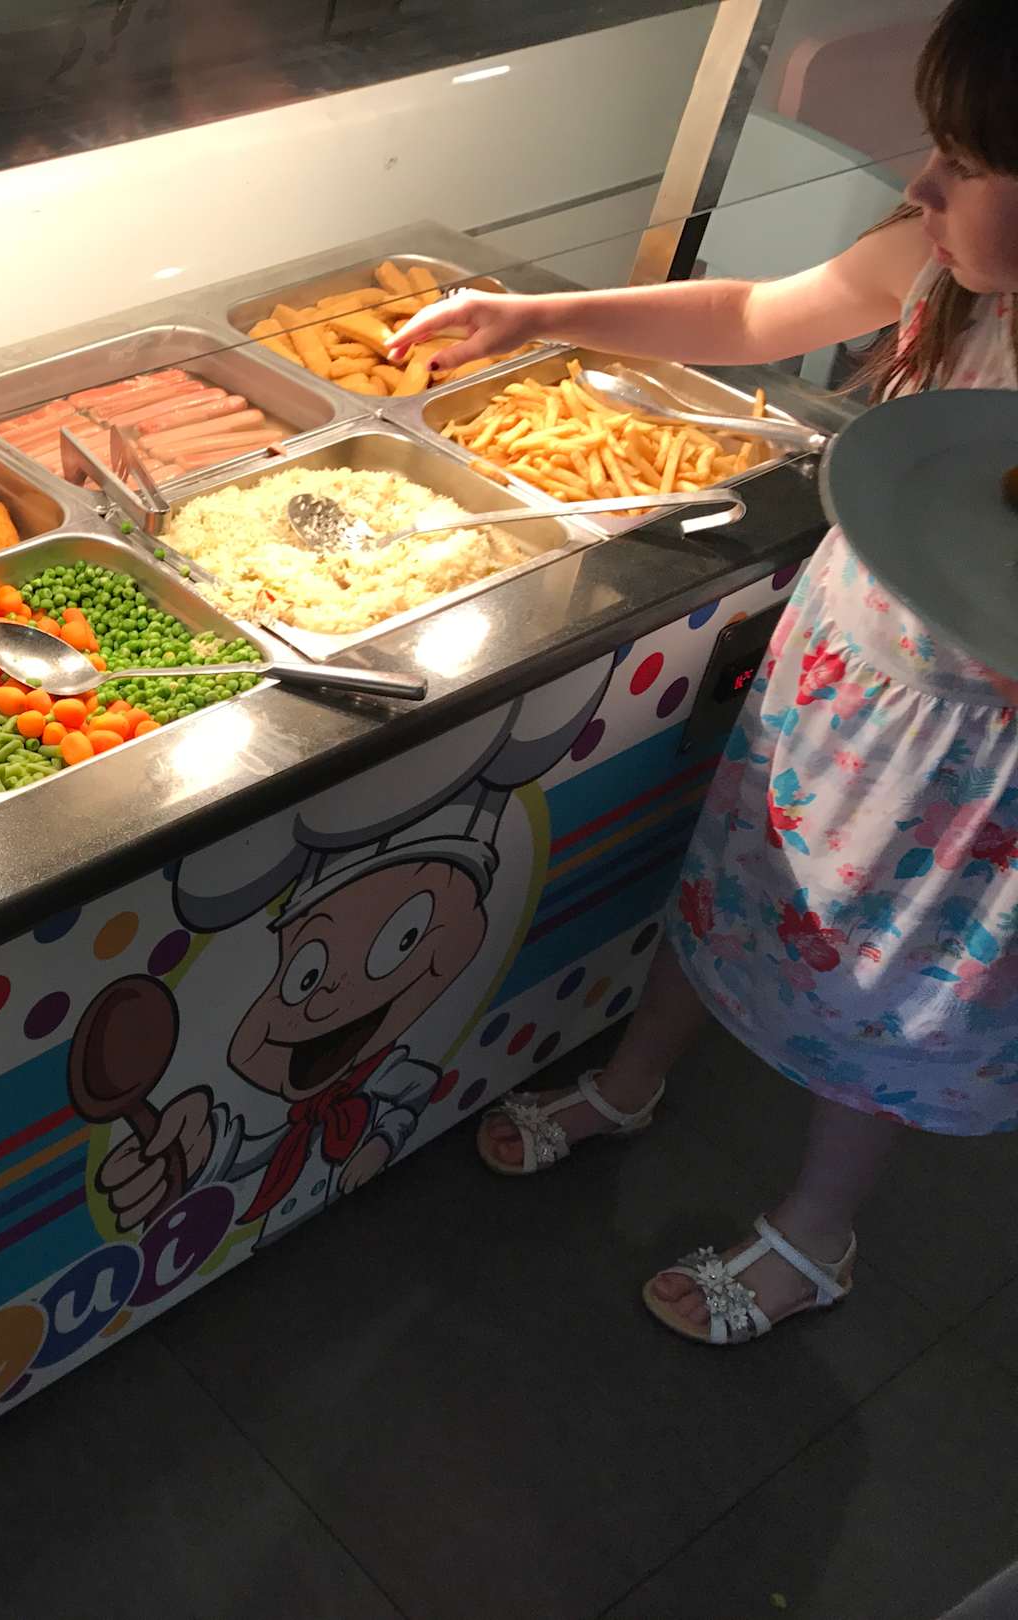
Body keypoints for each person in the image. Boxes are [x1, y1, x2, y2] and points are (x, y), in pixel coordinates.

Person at [384, 0, 1018, 1345]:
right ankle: (630, 1083)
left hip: (972, 761)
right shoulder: (940, 272)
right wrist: (532, 313)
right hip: (841, 674)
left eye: (964, 163)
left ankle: (819, 1230)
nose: (920, 184)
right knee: (731, 886)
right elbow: (750, 311)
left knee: (876, 994)